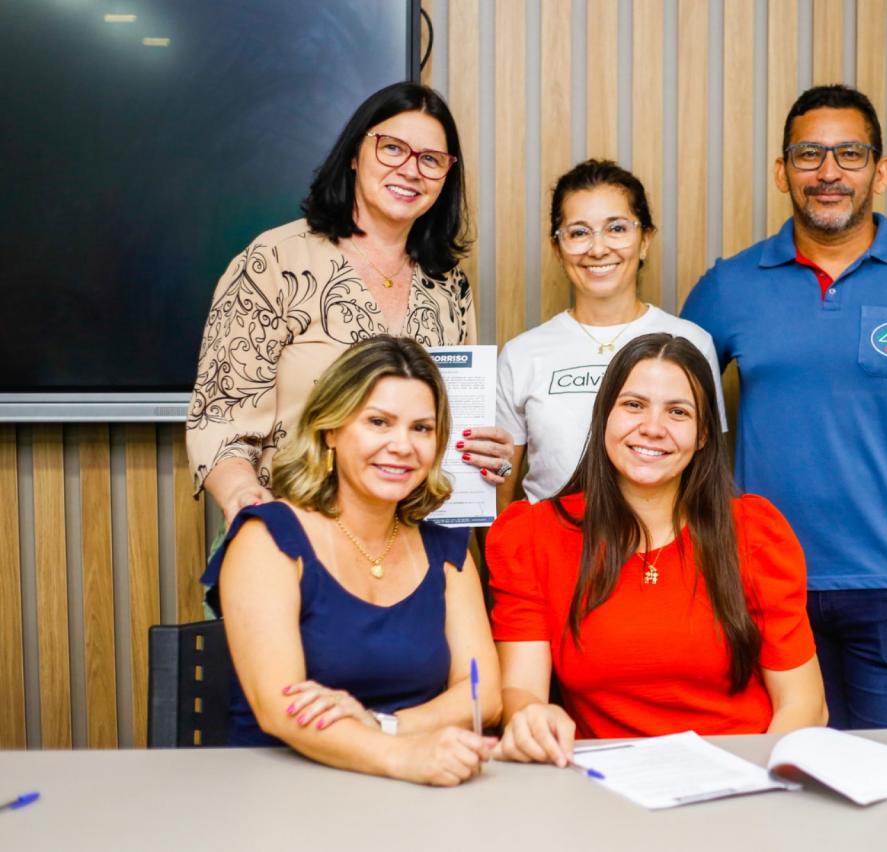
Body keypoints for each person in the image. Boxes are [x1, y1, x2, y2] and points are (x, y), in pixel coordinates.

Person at [681, 85, 887, 730]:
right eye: (809, 154)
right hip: (761, 585)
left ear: (880, 172)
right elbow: (664, 419)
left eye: (850, 154)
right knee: (776, 782)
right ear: (783, 172)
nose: (828, 172)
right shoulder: (728, 286)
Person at [486, 333, 825, 765]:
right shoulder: (534, 535)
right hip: (603, 784)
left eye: (678, 412)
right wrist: (531, 716)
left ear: (703, 434)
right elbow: (521, 689)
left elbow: (804, 704)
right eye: (633, 405)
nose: (652, 427)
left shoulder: (754, 533)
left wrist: (760, 782)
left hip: (742, 778)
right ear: (604, 416)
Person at [187, 82, 513, 522]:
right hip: (290, 529)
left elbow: (442, 426)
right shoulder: (275, 261)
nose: (411, 170)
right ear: (355, 154)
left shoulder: (448, 284)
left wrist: (485, 456)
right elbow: (219, 418)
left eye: (431, 159)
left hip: (408, 538)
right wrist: (242, 494)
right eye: (392, 148)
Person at [202, 335, 500, 786]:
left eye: (422, 428)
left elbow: (483, 695)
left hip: (414, 789)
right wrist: (403, 757)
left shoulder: (447, 551)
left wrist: (383, 725)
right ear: (331, 429)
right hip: (281, 790)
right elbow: (280, 708)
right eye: (379, 422)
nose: (403, 445)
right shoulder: (267, 537)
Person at [494, 160, 724, 514]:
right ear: (558, 248)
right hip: (552, 546)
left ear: (645, 240)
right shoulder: (522, 354)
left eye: (616, 228)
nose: (598, 248)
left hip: (662, 547)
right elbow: (500, 488)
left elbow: (707, 475)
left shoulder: (691, 343)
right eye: (579, 232)